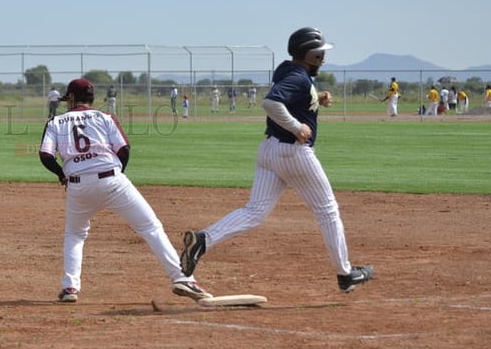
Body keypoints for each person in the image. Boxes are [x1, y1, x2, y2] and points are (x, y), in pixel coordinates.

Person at [180, 27, 374, 293]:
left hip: (269, 151)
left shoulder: (288, 69)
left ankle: (203, 240)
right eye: (319, 54)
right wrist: (297, 127)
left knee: (255, 212)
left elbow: (293, 93)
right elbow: (272, 103)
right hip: (293, 153)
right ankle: (345, 274)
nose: (323, 59)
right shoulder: (299, 78)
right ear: (309, 55)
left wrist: (316, 98)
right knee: (328, 211)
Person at [39, 78, 212, 304]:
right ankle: (182, 278)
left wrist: (62, 174)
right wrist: (119, 174)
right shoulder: (105, 117)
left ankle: (70, 287)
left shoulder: (56, 122)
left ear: (71, 98)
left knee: (75, 235)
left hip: (78, 185)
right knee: (150, 227)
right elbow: (124, 149)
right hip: (112, 180)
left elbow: (46, 155)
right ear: (92, 98)